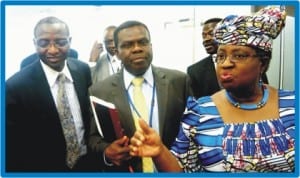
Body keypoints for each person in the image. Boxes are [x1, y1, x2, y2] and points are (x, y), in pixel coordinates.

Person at [130, 6, 295, 172]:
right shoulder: (199, 113)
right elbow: (181, 171)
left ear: (263, 63)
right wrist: (160, 153)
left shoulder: (292, 105)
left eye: (238, 55)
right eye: (221, 56)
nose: (226, 64)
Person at [89, 20, 192, 172]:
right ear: (116, 52)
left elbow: (193, 130)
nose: (137, 49)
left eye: (142, 42)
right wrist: (107, 151)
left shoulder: (179, 81)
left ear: (151, 46)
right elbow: (93, 138)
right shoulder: (99, 91)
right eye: (127, 45)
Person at [6, 16, 100, 171]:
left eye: (60, 42)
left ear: (70, 41)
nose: (53, 50)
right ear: (34, 43)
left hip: (87, 165)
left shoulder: (82, 70)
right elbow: (12, 145)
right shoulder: (15, 87)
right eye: (44, 43)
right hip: (44, 168)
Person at [187, 18, 268, 99]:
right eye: (203, 36)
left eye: (211, 34)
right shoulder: (194, 71)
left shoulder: (252, 63)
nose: (206, 39)